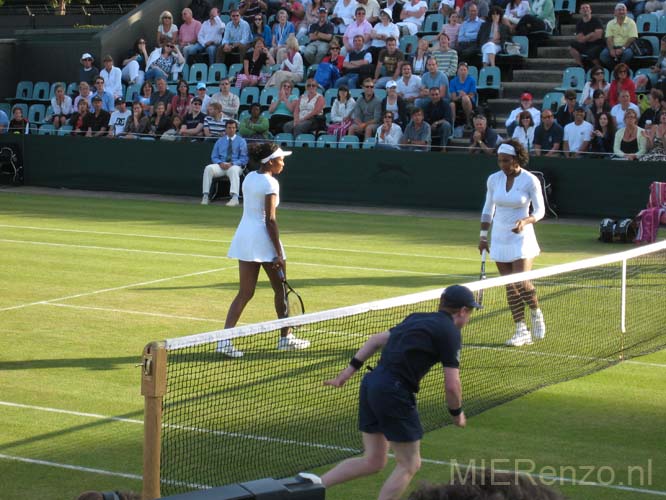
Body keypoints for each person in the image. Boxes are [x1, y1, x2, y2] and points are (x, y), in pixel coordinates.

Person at [317, 284, 479, 500]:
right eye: (470, 311)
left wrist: (345, 375)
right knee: (410, 463)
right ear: (462, 311)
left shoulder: (416, 318)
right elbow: (452, 385)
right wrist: (456, 413)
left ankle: (308, 488)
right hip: (393, 392)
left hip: (371, 384)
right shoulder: (450, 333)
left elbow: (375, 340)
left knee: (373, 461)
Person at [221, 143, 311, 357]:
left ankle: (223, 341)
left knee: (245, 293)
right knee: (280, 290)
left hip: (245, 238)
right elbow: (270, 220)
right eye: (280, 158)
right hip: (263, 240)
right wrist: (278, 253)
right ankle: (285, 338)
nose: (283, 162)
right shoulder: (271, 183)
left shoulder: (250, 176)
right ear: (270, 161)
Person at [479, 140, 546, 347]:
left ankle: (535, 311)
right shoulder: (493, 179)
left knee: (521, 283)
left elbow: (540, 210)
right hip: (499, 236)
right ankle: (521, 330)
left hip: (522, 236)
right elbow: (488, 208)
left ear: (516, 159)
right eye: (499, 161)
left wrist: (525, 221)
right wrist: (483, 236)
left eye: (506, 161)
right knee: (510, 286)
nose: (502, 165)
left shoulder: (530, 180)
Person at [201, 120, 248, 207]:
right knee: (208, 168)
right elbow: (214, 156)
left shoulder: (241, 141)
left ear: (236, 129)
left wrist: (232, 163)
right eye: (229, 128)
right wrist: (220, 163)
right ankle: (206, 196)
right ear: (225, 129)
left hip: (235, 165)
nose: (231, 130)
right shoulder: (220, 141)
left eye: (233, 128)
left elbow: (244, 159)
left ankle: (235, 198)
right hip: (221, 165)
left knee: (234, 170)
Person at [599, 3, 637, 70]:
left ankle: (621, 70)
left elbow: (632, 38)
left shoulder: (631, 22)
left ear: (626, 12)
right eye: (619, 10)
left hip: (626, 47)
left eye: (623, 10)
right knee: (603, 55)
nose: (621, 12)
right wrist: (611, 50)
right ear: (615, 12)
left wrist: (622, 49)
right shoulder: (610, 23)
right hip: (613, 46)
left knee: (627, 54)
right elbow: (609, 38)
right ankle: (614, 69)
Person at [569, 3, 605, 68]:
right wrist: (591, 35)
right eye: (583, 8)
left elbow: (598, 36)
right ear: (580, 11)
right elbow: (580, 39)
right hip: (586, 44)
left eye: (587, 8)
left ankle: (600, 68)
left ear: (590, 10)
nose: (585, 9)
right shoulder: (579, 23)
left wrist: (585, 38)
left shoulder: (596, 20)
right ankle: (581, 66)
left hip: (598, 44)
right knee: (572, 47)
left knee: (591, 53)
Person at [424, 86, 453, 152]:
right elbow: (425, 119)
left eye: (436, 94)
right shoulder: (427, 106)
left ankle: (443, 148)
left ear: (440, 94)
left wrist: (436, 123)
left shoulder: (445, 105)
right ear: (429, 96)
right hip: (430, 128)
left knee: (446, 125)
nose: (435, 96)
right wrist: (430, 126)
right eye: (432, 95)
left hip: (442, 128)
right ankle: (425, 149)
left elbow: (447, 118)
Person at [449, 62, 477, 130]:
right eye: (461, 70)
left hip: (469, 101)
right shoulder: (453, 81)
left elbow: (472, 95)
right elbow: (453, 97)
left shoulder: (472, 80)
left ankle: (468, 121)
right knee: (451, 104)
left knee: (465, 98)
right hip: (457, 101)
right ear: (457, 71)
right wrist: (459, 96)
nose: (463, 72)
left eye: (464, 70)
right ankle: (452, 126)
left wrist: (464, 95)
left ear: (467, 71)